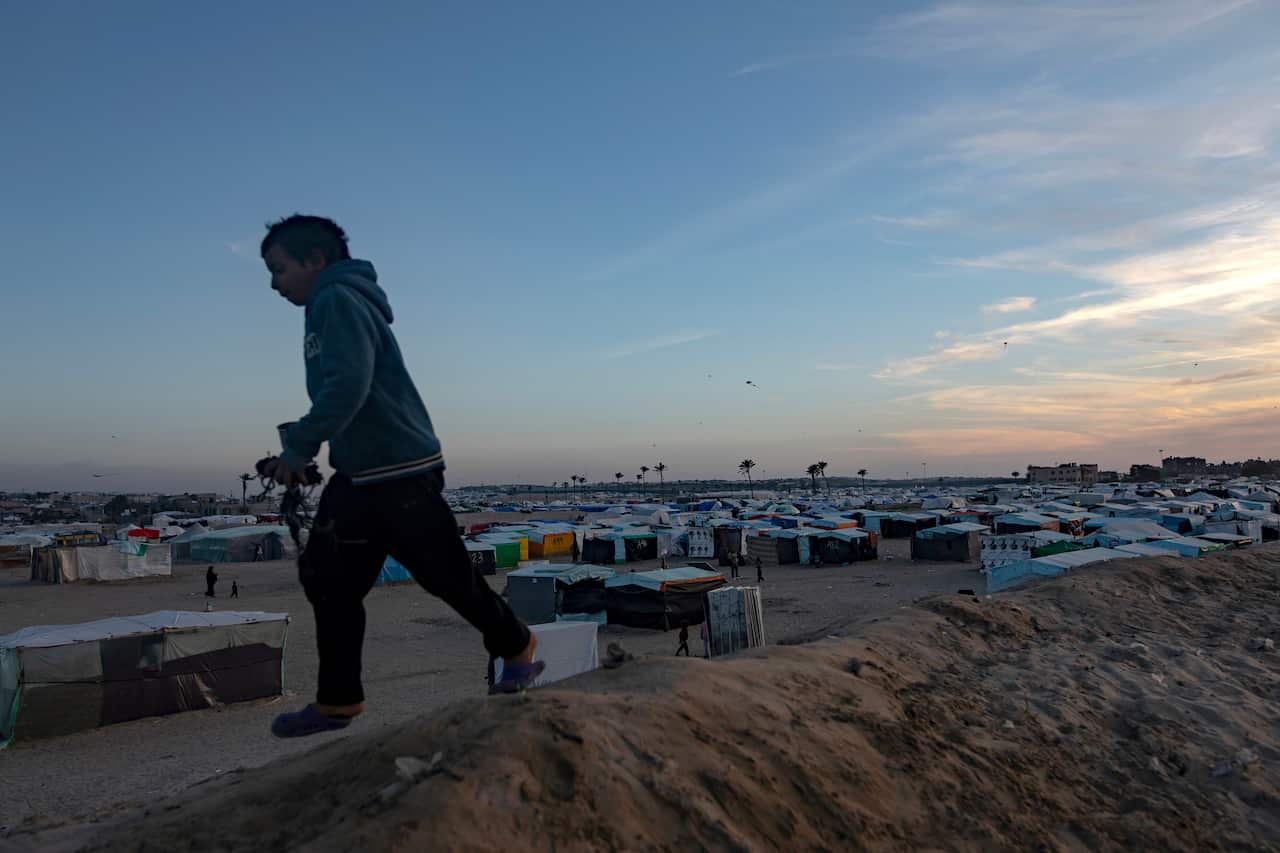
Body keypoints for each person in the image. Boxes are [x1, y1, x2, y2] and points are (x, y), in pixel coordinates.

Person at [257, 215, 542, 738]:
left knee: (446, 577)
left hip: (400, 471)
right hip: (361, 473)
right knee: (328, 578)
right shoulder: (331, 304)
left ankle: (516, 644)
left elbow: (348, 385)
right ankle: (338, 701)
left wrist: (298, 445)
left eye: (278, 269)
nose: (274, 283)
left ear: (315, 260)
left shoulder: (336, 300)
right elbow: (341, 394)